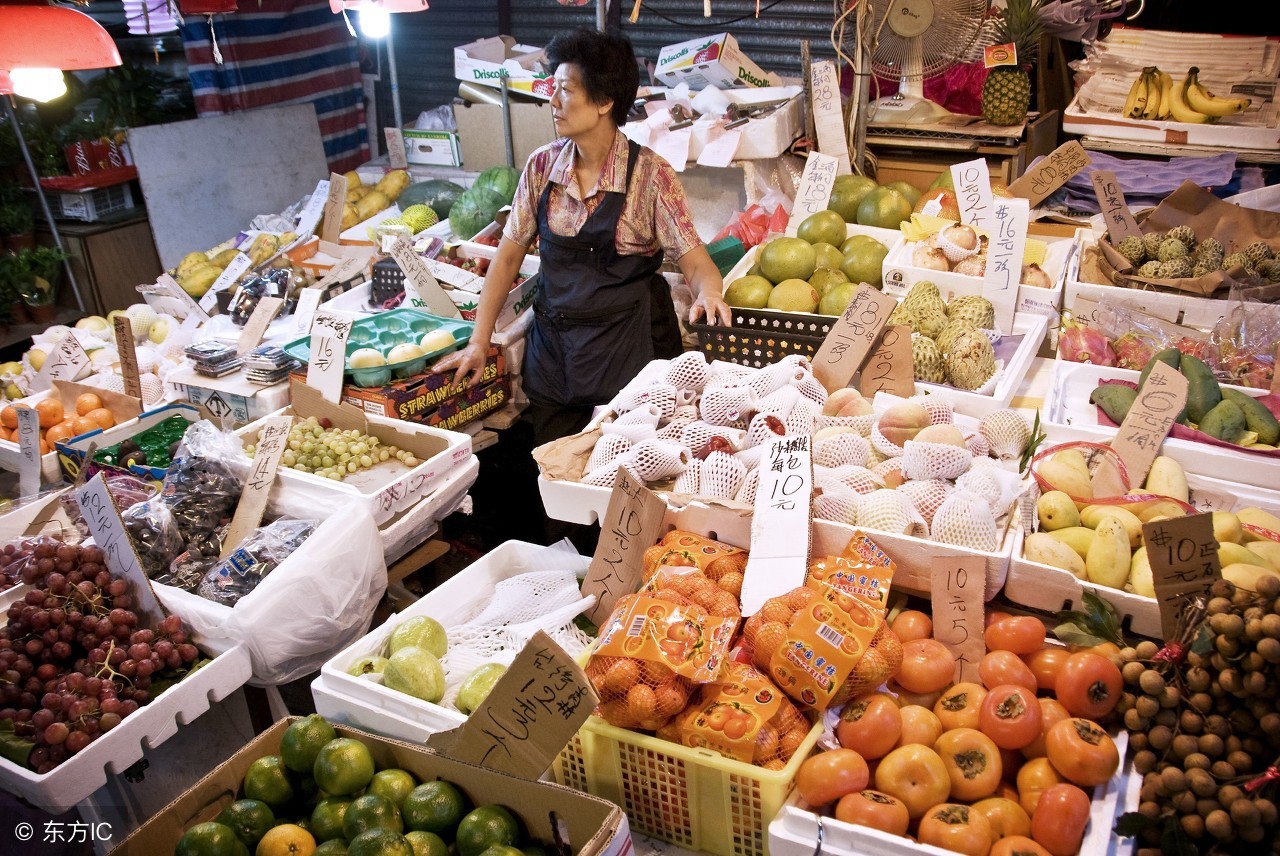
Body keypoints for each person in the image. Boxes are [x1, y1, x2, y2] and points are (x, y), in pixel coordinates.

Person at [433, 27, 732, 448]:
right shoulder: (541, 168)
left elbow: (696, 263)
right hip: (556, 360)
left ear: (605, 100)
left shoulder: (651, 176)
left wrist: (710, 293)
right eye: (552, 89)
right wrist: (479, 341)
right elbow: (506, 259)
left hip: (633, 361)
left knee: (627, 492)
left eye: (566, 90)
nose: (553, 103)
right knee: (556, 489)